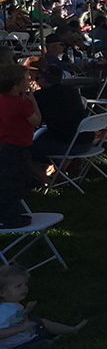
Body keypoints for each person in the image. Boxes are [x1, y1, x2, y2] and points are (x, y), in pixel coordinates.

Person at [0, 263, 87, 349]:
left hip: (25, 335)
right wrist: (21, 328)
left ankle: (72, 330)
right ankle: (54, 340)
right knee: (39, 346)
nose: (25, 288)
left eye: (26, 284)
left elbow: (16, 318)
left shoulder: (13, 304)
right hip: (13, 346)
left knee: (43, 322)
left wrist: (26, 310)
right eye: (18, 286)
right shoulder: (3, 311)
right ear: (2, 292)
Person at [0, 63, 42, 227]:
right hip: (18, 146)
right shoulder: (21, 103)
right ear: (17, 84)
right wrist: (33, 102)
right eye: (26, 79)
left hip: (3, 145)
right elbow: (36, 121)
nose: (29, 81)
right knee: (17, 182)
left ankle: (9, 213)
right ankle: (10, 217)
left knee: (6, 180)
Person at [27, 63, 87, 162]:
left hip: (68, 144)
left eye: (38, 78)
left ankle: (43, 177)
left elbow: (36, 120)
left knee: (24, 150)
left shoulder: (41, 96)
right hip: (86, 140)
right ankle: (62, 171)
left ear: (44, 79)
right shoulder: (72, 91)